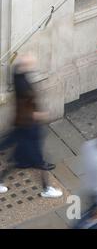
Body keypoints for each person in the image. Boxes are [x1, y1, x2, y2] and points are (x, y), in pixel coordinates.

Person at [0, 54, 62, 198]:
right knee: (36, 161)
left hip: (25, 127)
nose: (32, 67)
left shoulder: (18, 75)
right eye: (30, 65)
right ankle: (47, 189)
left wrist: (22, 64)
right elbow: (25, 106)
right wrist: (38, 115)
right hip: (28, 128)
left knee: (19, 160)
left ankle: (46, 188)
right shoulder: (23, 87)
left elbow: (17, 72)